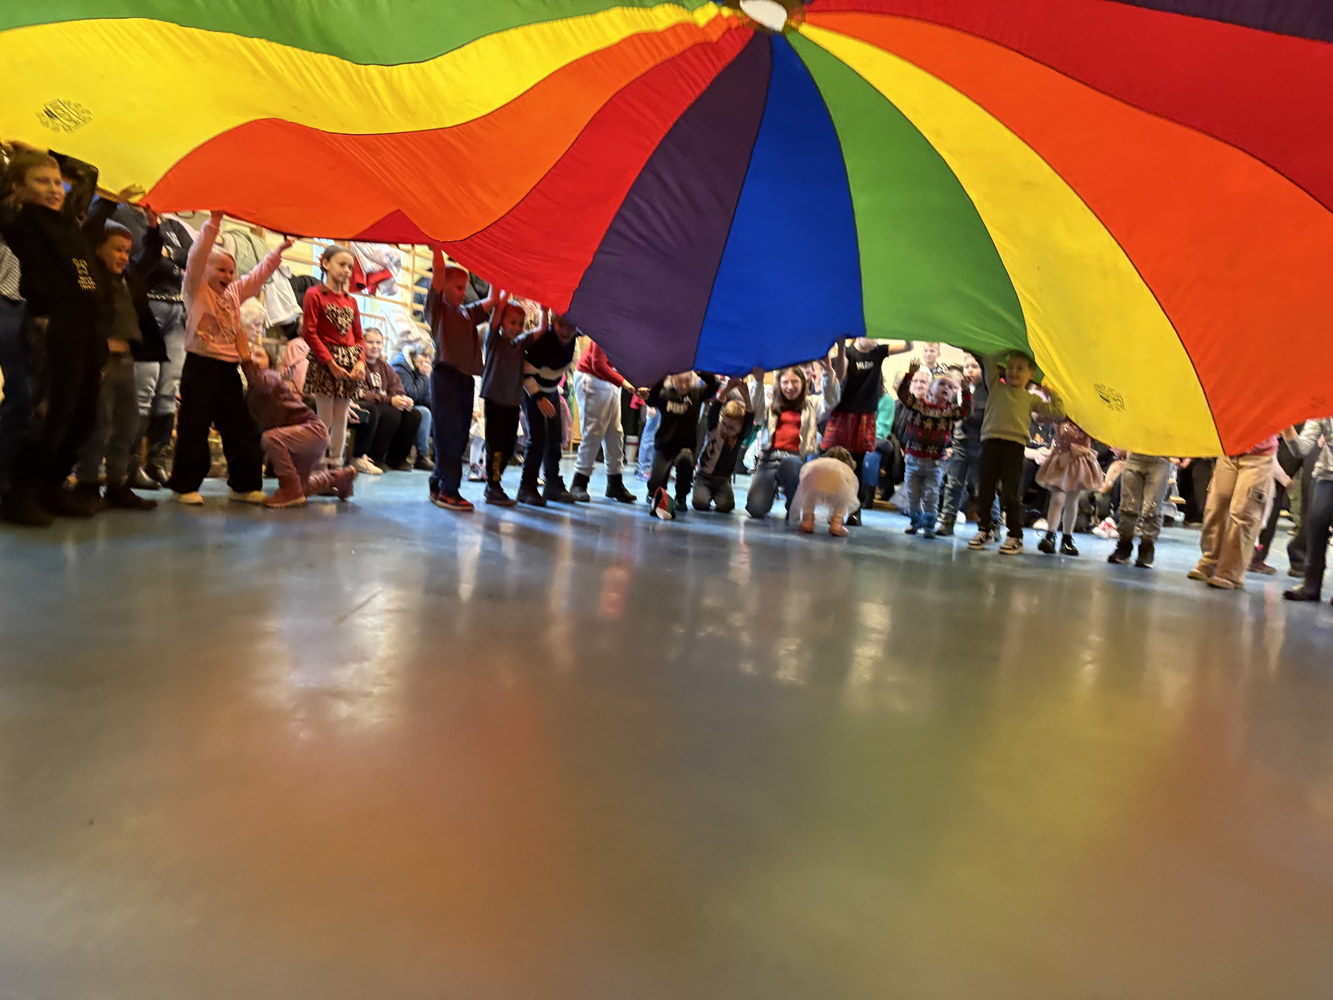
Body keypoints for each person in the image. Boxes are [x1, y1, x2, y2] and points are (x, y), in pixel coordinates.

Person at [0, 145, 106, 523]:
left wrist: (51, 156)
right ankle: (20, 494)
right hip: (52, 322)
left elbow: (89, 174)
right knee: (51, 412)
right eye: (41, 181)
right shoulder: (22, 220)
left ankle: (51, 486)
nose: (53, 189)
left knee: (84, 414)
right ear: (18, 187)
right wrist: (17, 157)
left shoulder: (68, 220)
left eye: (56, 182)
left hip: (86, 323)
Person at [165, 210, 293, 505]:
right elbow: (197, 255)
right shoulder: (195, 288)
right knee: (194, 426)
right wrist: (213, 223)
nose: (227, 276)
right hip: (200, 366)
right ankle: (184, 486)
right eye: (221, 270)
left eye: (231, 271)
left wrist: (280, 250)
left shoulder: (234, 294)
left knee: (240, 426)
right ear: (204, 271)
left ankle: (244, 485)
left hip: (228, 369)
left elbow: (258, 274)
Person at [70, 219, 160, 511]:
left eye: (127, 251)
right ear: (99, 250)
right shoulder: (93, 278)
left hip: (125, 360)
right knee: (100, 423)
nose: (123, 256)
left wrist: (154, 228)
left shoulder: (129, 280)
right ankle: (86, 483)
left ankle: (117, 483)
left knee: (127, 422)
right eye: (117, 249)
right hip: (101, 361)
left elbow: (149, 257)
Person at [232, 312, 355, 507]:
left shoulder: (271, 377)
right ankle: (339, 477)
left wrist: (245, 354)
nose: (253, 357)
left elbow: (258, 381)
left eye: (259, 354)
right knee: (301, 487)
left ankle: (289, 489)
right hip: (301, 437)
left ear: (270, 363)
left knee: (270, 438)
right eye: (252, 354)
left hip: (310, 431)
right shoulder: (254, 388)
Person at [968, 351, 1065, 555]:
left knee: (1011, 493)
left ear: (1031, 374)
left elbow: (1058, 413)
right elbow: (989, 359)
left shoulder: (1030, 399)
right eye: (1010, 367)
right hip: (990, 444)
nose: (1013, 371)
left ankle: (1015, 535)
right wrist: (1007, 350)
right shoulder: (996, 386)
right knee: (984, 490)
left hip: (1014, 448)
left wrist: (1050, 391)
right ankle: (984, 528)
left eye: (1020, 368)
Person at [423, 249, 497, 512]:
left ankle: (437, 482)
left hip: (466, 379)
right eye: (457, 288)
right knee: (448, 434)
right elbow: (439, 274)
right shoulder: (437, 309)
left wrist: (499, 271)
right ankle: (449, 490)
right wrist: (436, 247)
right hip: (446, 377)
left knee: (460, 433)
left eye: (464, 288)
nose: (463, 293)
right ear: (442, 287)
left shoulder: (467, 313)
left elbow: (493, 299)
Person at [746, 364, 840, 518]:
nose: (790, 387)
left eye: (795, 381)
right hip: (768, 460)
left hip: (795, 459)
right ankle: (771, 489)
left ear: (803, 382)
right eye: (785, 382)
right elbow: (757, 416)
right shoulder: (771, 404)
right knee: (755, 509)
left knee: (789, 464)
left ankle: (794, 502)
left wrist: (828, 373)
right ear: (779, 384)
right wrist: (758, 382)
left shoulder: (812, 404)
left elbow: (832, 400)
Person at [300, 244, 365, 469]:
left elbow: (359, 337)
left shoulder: (351, 301)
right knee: (324, 416)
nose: (347, 270)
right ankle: (318, 462)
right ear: (326, 264)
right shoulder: (315, 294)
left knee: (342, 415)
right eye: (342, 264)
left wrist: (360, 362)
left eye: (350, 267)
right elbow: (309, 332)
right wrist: (329, 362)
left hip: (349, 362)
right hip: (325, 361)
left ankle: (336, 461)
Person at [1187, 434, 1279, 589]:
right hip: (1229, 451)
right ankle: (1210, 561)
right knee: (1215, 506)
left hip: (1259, 456)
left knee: (1244, 512)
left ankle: (1230, 572)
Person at [894, 361, 971, 538]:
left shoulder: (951, 411)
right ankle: (915, 521)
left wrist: (966, 390)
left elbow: (966, 411)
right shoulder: (919, 404)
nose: (946, 388)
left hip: (935, 462)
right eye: (942, 384)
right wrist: (910, 375)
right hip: (913, 459)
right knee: (912, 495)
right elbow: (903, 394)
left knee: (931, 494)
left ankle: (929, 525)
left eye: (950, 387)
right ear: (930, 390)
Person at [822, 337, 892, 524]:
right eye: (871, 336)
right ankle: (834, 507)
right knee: (835, 461)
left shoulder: (878, 352)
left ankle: (854, 509)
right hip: (843, 413)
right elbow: (840, 375)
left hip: (864, 415)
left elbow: (907, 346)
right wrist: (841, 346)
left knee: (858, 465)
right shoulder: (847, 353)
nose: (875, 339)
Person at [518, 310, 577, 506]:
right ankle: (527, 487)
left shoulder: (572, 339)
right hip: (532, 390)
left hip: (550, 390)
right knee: (538, 438)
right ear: (553, 322)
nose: (566, 331)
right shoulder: (543, 342)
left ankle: (552, 483)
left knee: (555, 437)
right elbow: (525, 373)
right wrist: (538, 397)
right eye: (561, 325)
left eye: (571, 326)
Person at [644, 370, 722, 518]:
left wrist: (700, 371)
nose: (684, 385)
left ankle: (681, 496)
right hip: (664, 446)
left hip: (685, 447)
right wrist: (662, 376)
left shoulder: (697, 393)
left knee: (686, 462)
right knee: (657, 482)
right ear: (672, 381)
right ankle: (655, 493)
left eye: (687, 381)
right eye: (680, 381)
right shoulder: (665, 394)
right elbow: (650, 399)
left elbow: (715, 384)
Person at [938, 353, 1000, 536]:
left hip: (982, 446)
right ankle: (947, 521)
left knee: (985, 488)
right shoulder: (959, 391)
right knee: (954, 484)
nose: (969, 371)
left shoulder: (988, 389)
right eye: (966, 367)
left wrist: (978, 353)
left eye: (974, 366)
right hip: (961, 444)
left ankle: (994, 523)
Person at [571, 339, 638, 504]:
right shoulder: (607, 327)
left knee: (615, 433)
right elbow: (597, 364)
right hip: (591, 377)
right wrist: (627, 384)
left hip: (610, 379)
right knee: (593, 432)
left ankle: (615, 482)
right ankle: (579, 482)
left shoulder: (629, 330)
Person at [478, 293, 531, 506]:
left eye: (520, 324)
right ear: (501, 322)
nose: (516, 328)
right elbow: (496, 316)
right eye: (512, 323)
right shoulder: (493, 340)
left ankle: (494, 481)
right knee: (496, 446)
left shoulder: (519, 345)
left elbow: (539, 331)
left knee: (509, 447)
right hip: (495, 401)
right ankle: (493, 485)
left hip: (512, 403)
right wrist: (505, 294)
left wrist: (545, 311)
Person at [348, 328, 420, 474]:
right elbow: (359, 393)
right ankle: (375, 457)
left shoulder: (385, 366)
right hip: (361, 404)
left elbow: (397, 388)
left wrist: (403, 399)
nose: (375, 346)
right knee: (389, 412)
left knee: (414, 414)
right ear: (362, 344)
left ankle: (397, 459)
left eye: (378, 343)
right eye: (370, 342)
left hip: (382, 404)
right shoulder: (356, 363)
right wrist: (389, 399)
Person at [1281, 418, 1333, 603]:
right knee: (1316, 526)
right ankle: (1311, 585)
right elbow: (1300, 450)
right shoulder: (1323, 412)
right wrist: (1287, 429)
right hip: (1327, 475)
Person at [1034, 420, 1101, 556]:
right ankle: (1050, 535)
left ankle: (1067, 538)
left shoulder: (1088, 417)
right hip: (1061, 458)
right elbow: (1043, 418)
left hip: (1079, 460)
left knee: (1072, 500)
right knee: (1057, 499)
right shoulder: (1062, 415)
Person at [693, 377, 759, 513]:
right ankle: (704, 490)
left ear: (740, 429)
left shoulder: (739, 437)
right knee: (700, 503)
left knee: (726, 506)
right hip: (704, 476)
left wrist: (746, 396)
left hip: (722, 480)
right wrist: (728, 389)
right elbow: (716, 406)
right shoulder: (714, 427)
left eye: (732, 429)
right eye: (725, 425)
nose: (726, 430)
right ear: (722, 418)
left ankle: (716, 493)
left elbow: (749, 417)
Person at [1106, 453, 1174, 568]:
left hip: (1160, 459)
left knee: (1151, 508)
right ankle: (1124, 545)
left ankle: (1147, 547)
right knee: (1128, 507)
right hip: (1134, 457)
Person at [790, 446, 860, 537]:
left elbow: (804, 475)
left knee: (809, 497)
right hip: (839, 486)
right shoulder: (845, 469)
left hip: (814, 480)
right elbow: (849, 492)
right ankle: (836, 523)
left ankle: (807, 520)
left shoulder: (818, 463)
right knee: (842, 499)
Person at [390, 337, 434, 470]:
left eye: (429, 359)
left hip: (413, 404)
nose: (426, 362)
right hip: (397, 404)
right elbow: (411, 394)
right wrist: (424, 376)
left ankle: (442, 457)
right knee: (425, 413)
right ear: (414, 356)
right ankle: (423, 456)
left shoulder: (420, 369)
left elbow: (427, 399)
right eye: (423, 357)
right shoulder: (401, 366)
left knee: (441, 413)